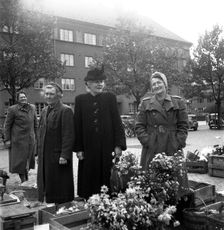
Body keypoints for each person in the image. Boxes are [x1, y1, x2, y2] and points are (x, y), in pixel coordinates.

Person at [74, 67, 127, 200]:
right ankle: (90, 202)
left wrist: (119, 145)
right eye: (96, 81)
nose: (100, 84)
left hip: (107, 147)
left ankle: (108, 205)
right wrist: (79, 148)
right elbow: (77, 125)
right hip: (88, 148)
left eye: (102, 81)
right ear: (88, 84)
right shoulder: (80, 100)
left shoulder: (110, 98)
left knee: (107, 175)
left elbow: (117, 122)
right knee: (89, 176)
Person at [135, 71, 189, 170]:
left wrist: (178, 142)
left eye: (159, 82)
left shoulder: (178, 102)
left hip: (172, 146)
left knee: (174, 179)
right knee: (151, 179)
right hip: (152, 147)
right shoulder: (145, 103)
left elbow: (183, 125)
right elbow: (139, 126)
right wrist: (147, 141)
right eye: (154, 84)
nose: (156, 86)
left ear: (165, 84)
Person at [37, 82, 74, 204]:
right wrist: (38, 154)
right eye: (46, 94)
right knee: (48, 184)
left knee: (60, 186)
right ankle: (52, 207)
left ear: (59, 95)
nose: (48, 96)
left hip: (59, 156)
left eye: (51, 94)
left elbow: (68, 135)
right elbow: (41, 133)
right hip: (46, 155)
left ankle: (64, 209)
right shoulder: (44, 111)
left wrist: (64, 155)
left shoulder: (66, 110)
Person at [3, 92, 37, 183]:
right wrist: (7, 140)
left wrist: (37, 138)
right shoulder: (13, 109)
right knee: (20, 162)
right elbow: (7, 125)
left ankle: (26, 179)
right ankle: (24, 180)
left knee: (28, 161)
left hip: (30, 140)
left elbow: (35, 125)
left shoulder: (32, 108)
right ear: (18, 99)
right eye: (21, 97)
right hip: (18, 141)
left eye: (24, 97)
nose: (23, 98)